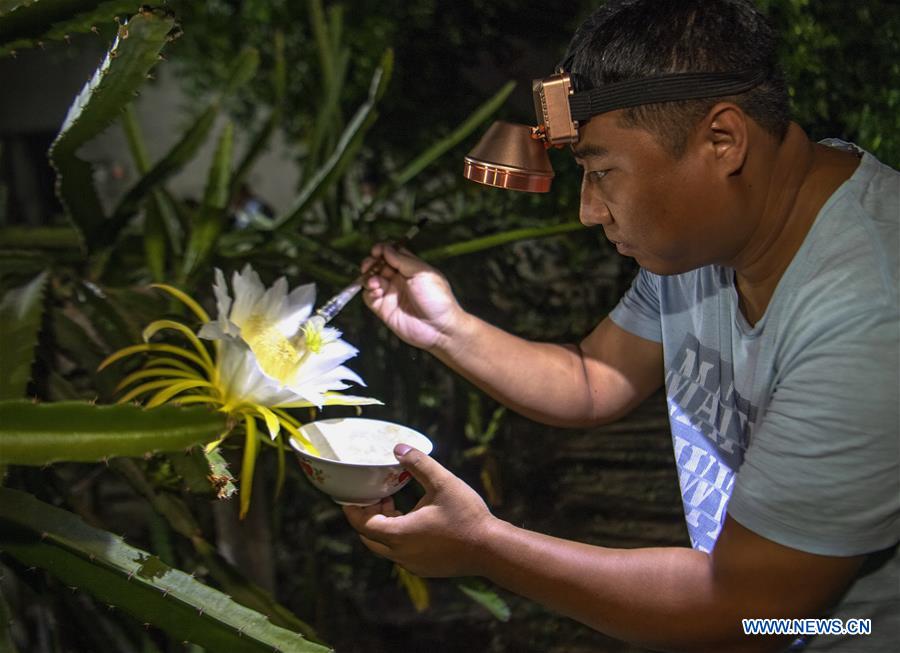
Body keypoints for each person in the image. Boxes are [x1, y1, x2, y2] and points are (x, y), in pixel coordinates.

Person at [343, 1, 899, 650]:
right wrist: (446, 329)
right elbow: (593, 375)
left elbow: (742, 609)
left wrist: (486, 547)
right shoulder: (714, 233)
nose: (587, 211)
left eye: (602, 172)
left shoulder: (868, 315)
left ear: (723, 141)